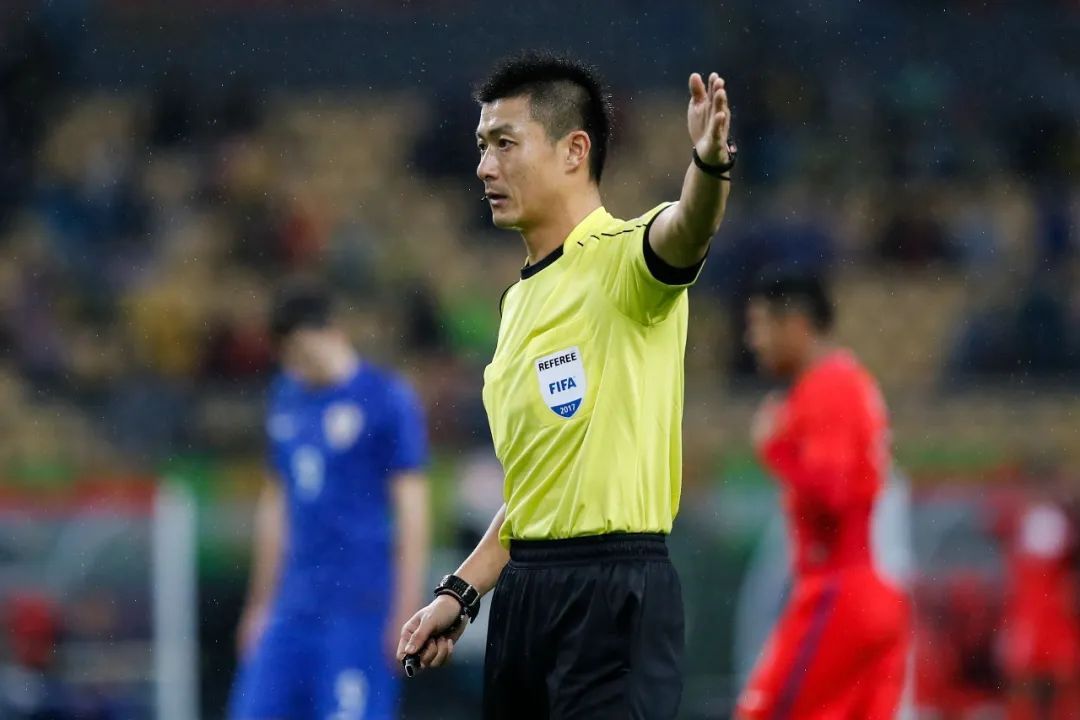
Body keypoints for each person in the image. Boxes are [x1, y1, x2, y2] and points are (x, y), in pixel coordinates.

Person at [396, 51, 734, 719]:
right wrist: (461, 591)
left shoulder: (625, 258)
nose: (484, 166)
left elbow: (688, 227)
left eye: (504, 144)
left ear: (574, 150)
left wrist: (709, 166)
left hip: (616, 593)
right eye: (481, 146)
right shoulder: (518, 303)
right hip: (525, 597)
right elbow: (535, 493)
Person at [229, 285, 429, 720]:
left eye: (304, 352)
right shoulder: (286, 397)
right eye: (288, 356)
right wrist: (259, 604)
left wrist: (408, 608)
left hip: (359, 608)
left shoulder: (386, 398)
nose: (297, 365)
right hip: (293, 607)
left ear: (333, 332)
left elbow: (412, 509)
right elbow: (276, 504)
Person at [737, 270, 910, 719]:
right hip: (873, 594)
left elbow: (831, 494)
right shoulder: (850, 380)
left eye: (759, 325)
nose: (753, 341)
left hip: (837, 590)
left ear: (795, 324)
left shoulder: (825, 387)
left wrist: (777, 448)